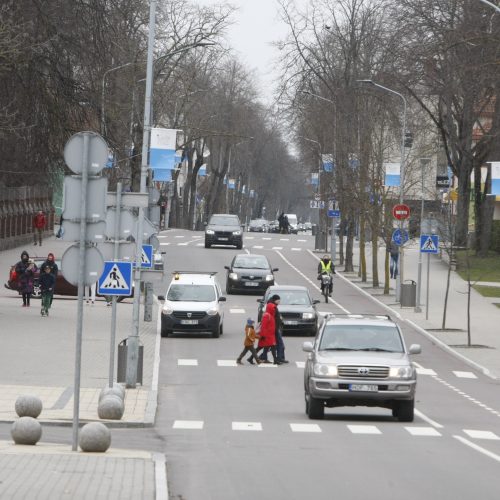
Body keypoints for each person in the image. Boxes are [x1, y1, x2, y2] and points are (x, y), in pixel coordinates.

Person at [248, 300, 280, 365]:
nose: (274, 310)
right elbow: (263, 327)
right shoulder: (267, 315)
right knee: (261, 347)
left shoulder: (270, 315)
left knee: (270, 347)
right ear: (270, 309)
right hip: (266, 336)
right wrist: (262, 335)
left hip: (270, 335)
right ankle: (250, 358)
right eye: (273, 308)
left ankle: (275, 360)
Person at [259, 294, 288, 364]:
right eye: (278, 300)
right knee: (279, 344)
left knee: (270, 345)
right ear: (275, 300)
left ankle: (264, 357)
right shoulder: (272, 307)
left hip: (274, 328)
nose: (279, 302)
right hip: (273, 329)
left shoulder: (272, 306)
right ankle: (279, 358)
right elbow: (272, 318)